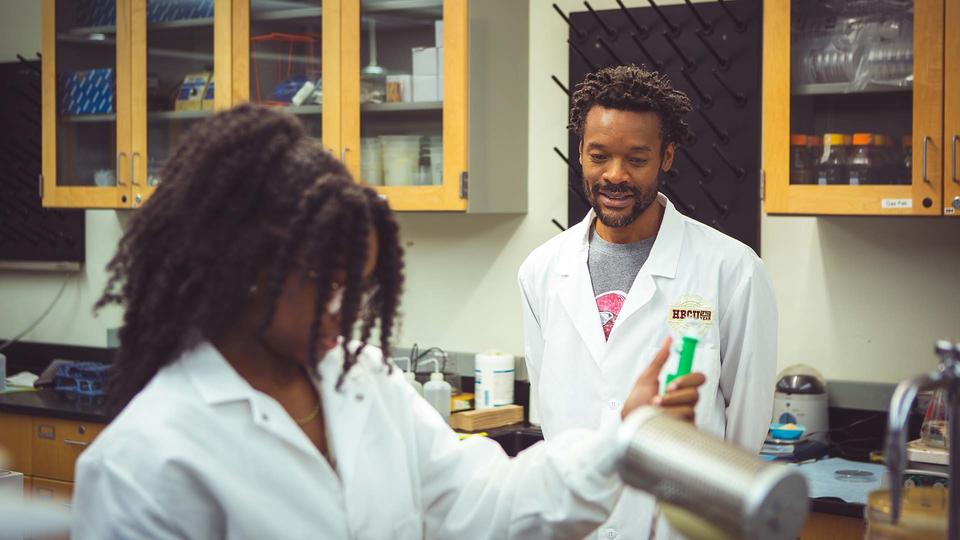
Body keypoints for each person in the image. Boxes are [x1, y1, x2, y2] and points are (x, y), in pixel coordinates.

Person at [71, 104, 705, 539]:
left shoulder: (361, 383)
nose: (345, 314)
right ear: (245, 272)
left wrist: (622, 439)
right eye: (325, 287)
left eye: (355, 287)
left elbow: (491, 504)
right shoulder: (146, 463)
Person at [518, 65, 778, 539]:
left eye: (636, 159)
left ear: (667, 157)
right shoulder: (541, 271)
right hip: (578, 524)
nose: (614, 175)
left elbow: (746, 428)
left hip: (679, 526)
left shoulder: (731, 269)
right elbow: (551, 405)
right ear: (581, 153)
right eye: (599, 156)